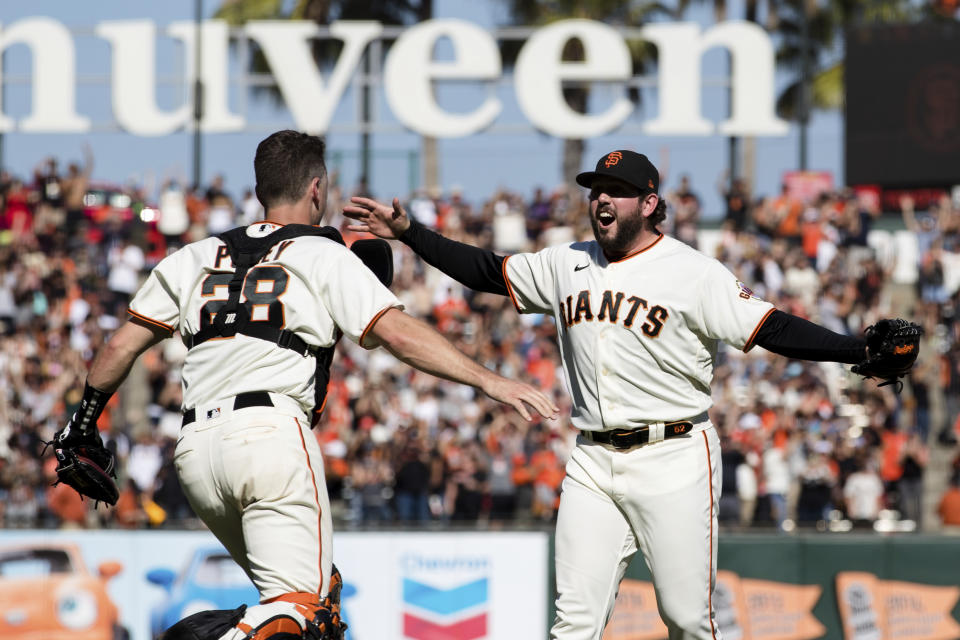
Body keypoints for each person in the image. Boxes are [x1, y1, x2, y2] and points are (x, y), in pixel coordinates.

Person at [344, 149, 910, 640]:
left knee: (687, 619)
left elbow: (773, 327)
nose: (602, 200)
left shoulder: (692, 272)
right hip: (592, 459)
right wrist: (411, 233)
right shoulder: (567, 262)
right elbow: (488, 271)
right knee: (574, 623)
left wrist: (853, 350)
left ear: (649, 203)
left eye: (618, 191)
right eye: (596, 191)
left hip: (676, 454)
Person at [52, 130, 557, 640]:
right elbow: (397, 333)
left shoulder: (192, 255)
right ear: (317, 189)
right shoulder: (322, 253)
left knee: (311, 606)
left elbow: (118, 347)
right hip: (271, 437)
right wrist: (488, 380)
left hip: (196, 453)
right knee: (305, 612)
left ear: (259, 191)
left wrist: (82, 423)